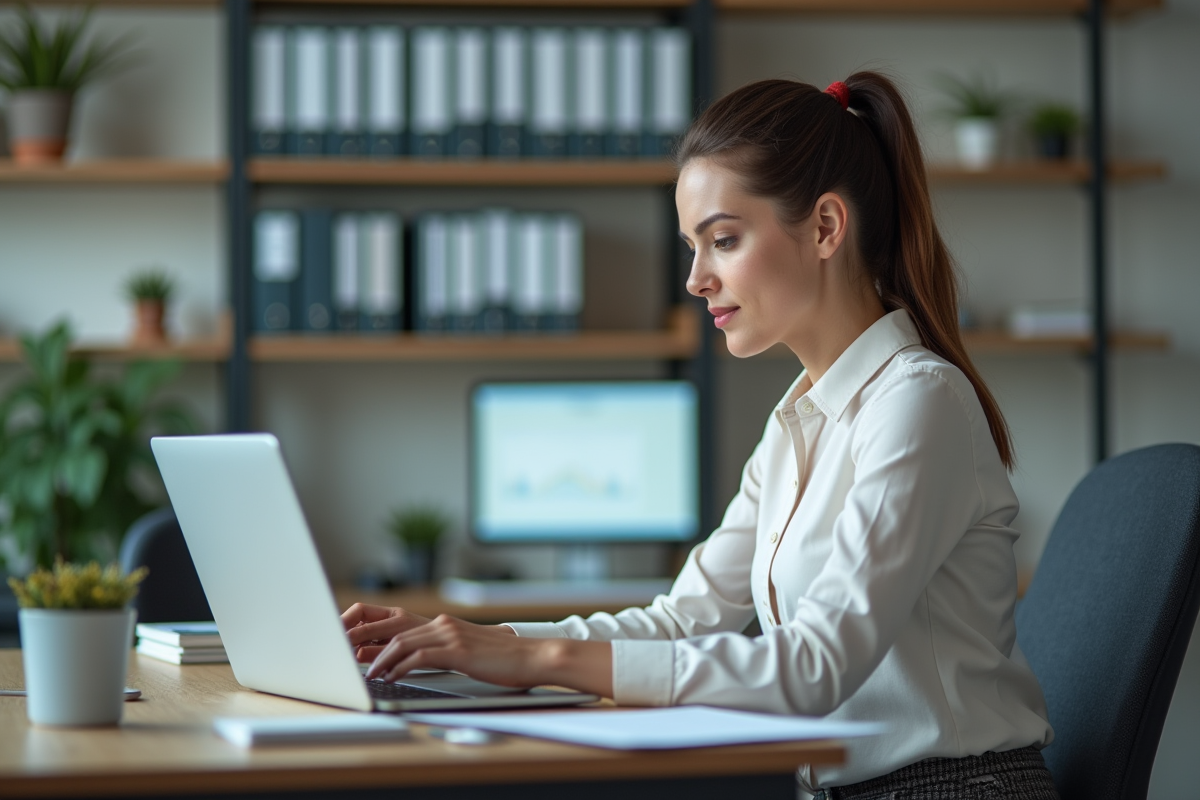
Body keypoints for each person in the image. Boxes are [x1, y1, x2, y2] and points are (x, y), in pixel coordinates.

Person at [342, 73, 1058, 800]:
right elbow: (683, 622)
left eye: (723, 240)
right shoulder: (797, 421)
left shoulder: (918, 403)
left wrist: (539, 660)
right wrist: (476, 644)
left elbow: (814, 666)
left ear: (824, 227)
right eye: (693, 247)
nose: (695, 279)